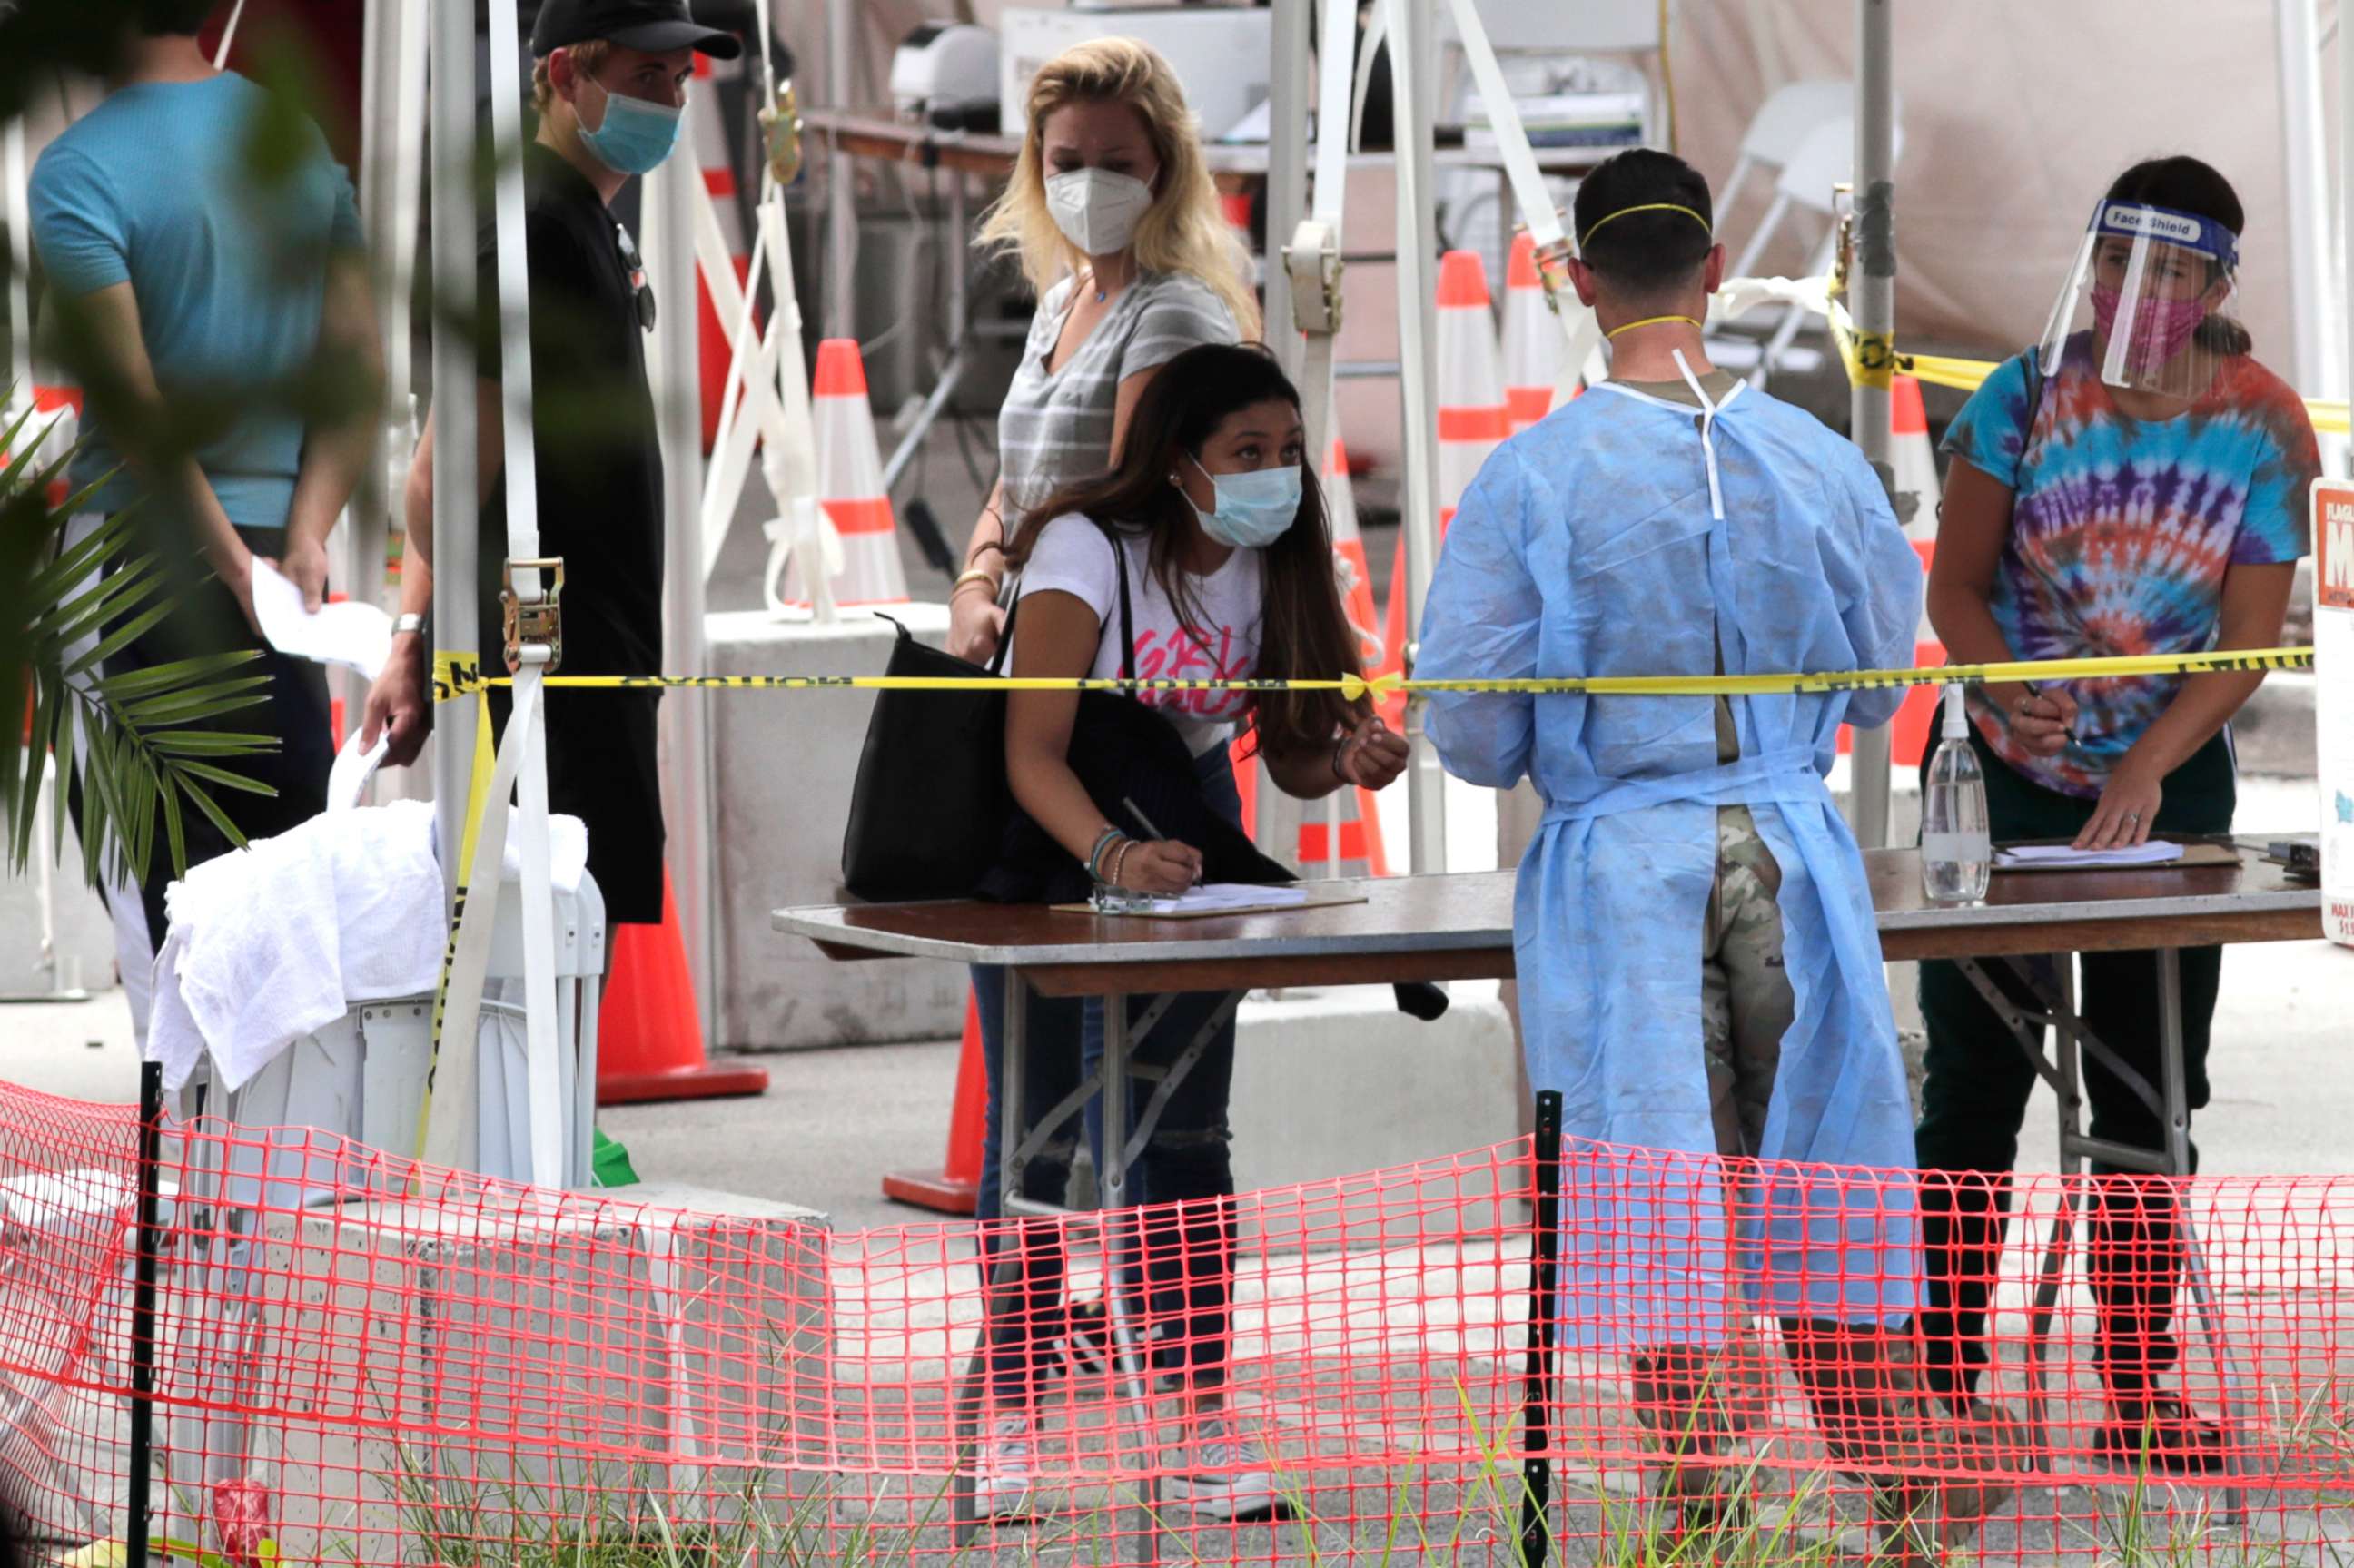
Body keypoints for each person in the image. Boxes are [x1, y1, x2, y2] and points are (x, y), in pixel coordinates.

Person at [1415, 148, 2011, 1562]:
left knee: (1654, 1183)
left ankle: (1702, 1508)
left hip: (1623, 869)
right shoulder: (1813, 457)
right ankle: (1901, 1481)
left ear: (1574, 273)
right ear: (1716, 264)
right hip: (1794, 856)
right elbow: (1879, 687)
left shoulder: (1532, 477)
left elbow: (1475, 729)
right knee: (1827, 1176)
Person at [1916, 155, 2319, 1471]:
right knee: (1977, 1076)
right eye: (2107, 265)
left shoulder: (2262, 422)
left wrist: (2149, 761)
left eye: (2164, 275)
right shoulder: (2020, 398)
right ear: (2085, 263)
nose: (2128, 296)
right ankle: (1940, 1379)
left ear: (2215, 284)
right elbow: (1958, 589)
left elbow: (2250, 638)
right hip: (2006, 768)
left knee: (2155, 1087)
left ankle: (2136, 1388)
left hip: (2173, 776)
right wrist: (2002, 690)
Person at [970, 343, 1408, 1523]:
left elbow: (1298, 756)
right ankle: (1009, 1419)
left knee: (1186, 1140)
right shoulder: (1083, 549)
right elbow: (1030, 754)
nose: (1276, 474)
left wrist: (1350, 757)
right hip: (1047, 872)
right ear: (1178, 464)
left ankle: (1197, 1413)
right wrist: (1111, 854)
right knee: (1040, 1150)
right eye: (1245, 452)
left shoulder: (1279, 566)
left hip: (1195, 879)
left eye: (1288, 451)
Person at [361, 0, 740, 937]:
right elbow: (443, 477)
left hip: (571, 666)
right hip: (548, 678)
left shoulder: (571, 220)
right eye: (646, 75)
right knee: (544, 987)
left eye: (679, 80)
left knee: (555, 984)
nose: (669, 99)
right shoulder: (533, 227)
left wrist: (414, 627)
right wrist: (425, 625)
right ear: (565, 75)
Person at [30, 0, 379, 956]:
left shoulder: (76, 169)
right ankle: (262, 1112)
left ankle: (178, 1111)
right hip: (282, 572)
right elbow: (359, 370)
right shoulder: (294, 143)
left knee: (162, 921)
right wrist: (301, 536)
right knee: (283, 900)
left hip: (138, 566)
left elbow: (138, 415)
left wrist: (227, 564)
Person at [946, 36, 1254, 666]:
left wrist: (1010, 565)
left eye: (1116, 165)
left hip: (1118, 689)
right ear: (1038, 167)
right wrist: (975, 584)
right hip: (1046, 661)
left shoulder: (1173, 314)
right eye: (1066, 163)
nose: (1089, 187)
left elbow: (1123, 502)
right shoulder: (1064, 301)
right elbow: (1019, 483)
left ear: (1164, 167)